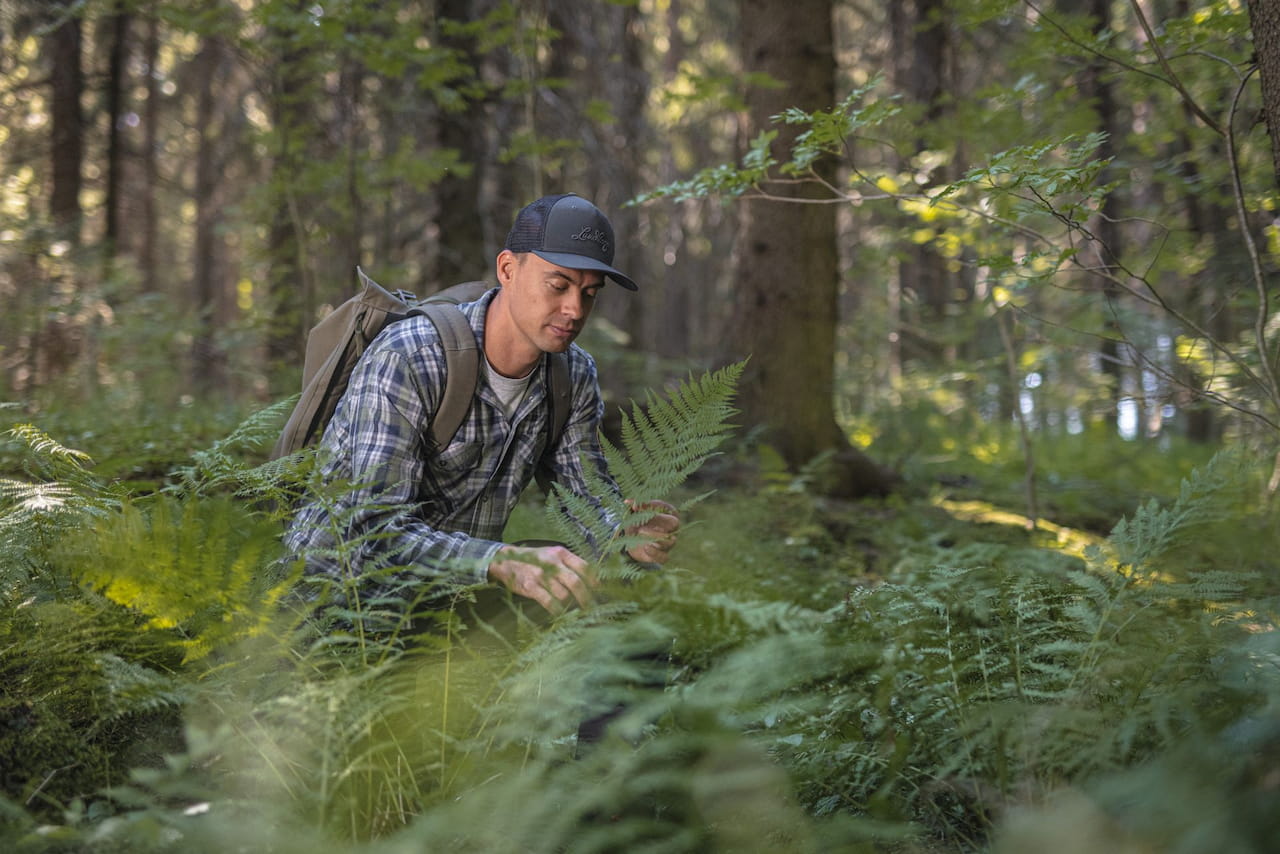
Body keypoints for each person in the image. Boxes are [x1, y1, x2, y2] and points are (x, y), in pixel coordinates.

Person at [284, 193, 679, 618]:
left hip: (449, 599)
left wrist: (623, 533)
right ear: (508, 269)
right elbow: (371, 532)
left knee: (596, 593)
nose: (574, 309)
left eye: (589, 293)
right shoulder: (412, 356)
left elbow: (583, 501)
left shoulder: (572, 375)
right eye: (558, 285)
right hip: (334, 606)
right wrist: (503, 561)